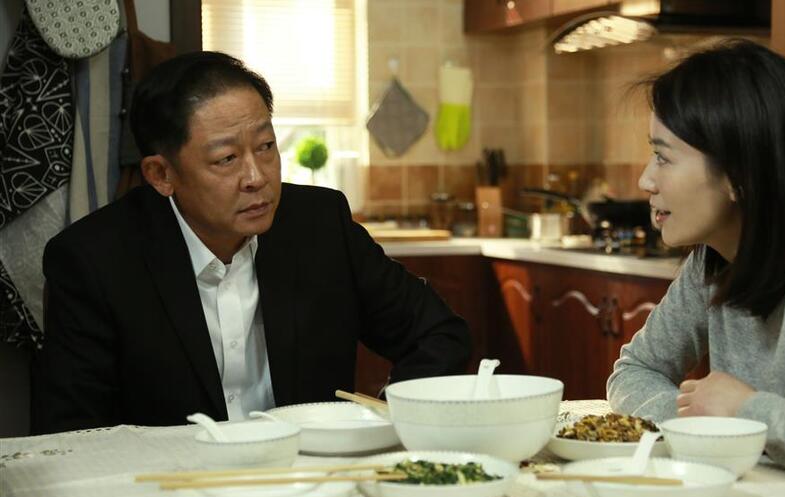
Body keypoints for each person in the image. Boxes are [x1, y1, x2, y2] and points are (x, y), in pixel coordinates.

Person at [32, 51, 472, 434]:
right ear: (161, 174)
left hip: (310, 478)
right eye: (226, 158)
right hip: (175, 484)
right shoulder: (95, 260)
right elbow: (72, 432)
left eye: (265, 146)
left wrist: (379, 423)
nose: (256, 177)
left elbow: (437, 333)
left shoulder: (319, 225)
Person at [606, 39, 785, 489]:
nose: (646, 180)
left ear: (739, 175)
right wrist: (701, 425)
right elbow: (634, 371)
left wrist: (745, 411)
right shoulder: (712, 260)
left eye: (663, 157)